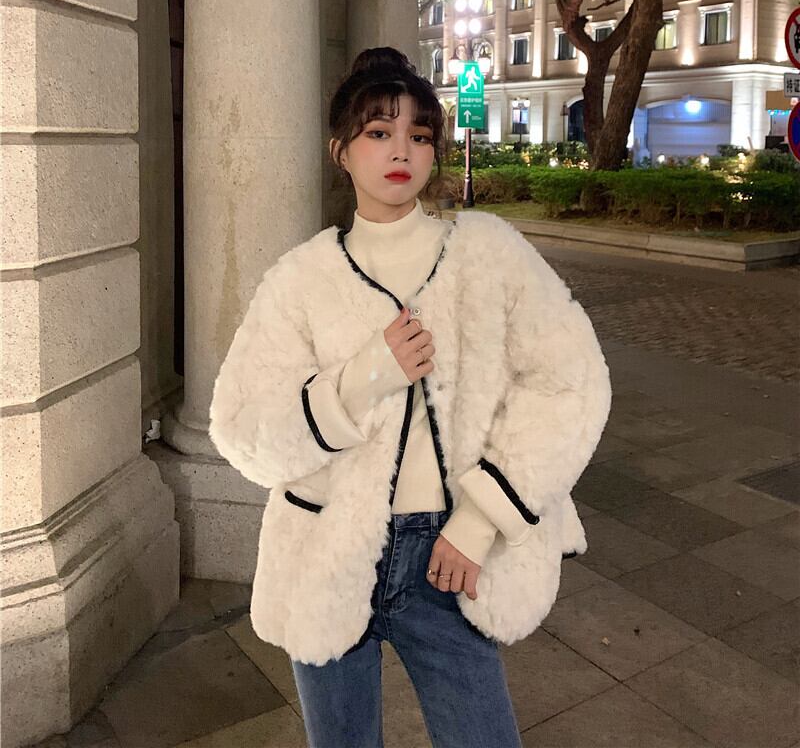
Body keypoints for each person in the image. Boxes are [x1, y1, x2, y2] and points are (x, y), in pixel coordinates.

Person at [208, 46, 612, 748]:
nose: (401, 150)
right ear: (341, 151)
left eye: (419, 134)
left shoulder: (487, 255)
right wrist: (362, 379)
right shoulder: (301, 280)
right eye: (378, 131)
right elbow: (240, 427)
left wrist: (481, 518)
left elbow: (573, 382)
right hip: (328, 551)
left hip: (449, 554)